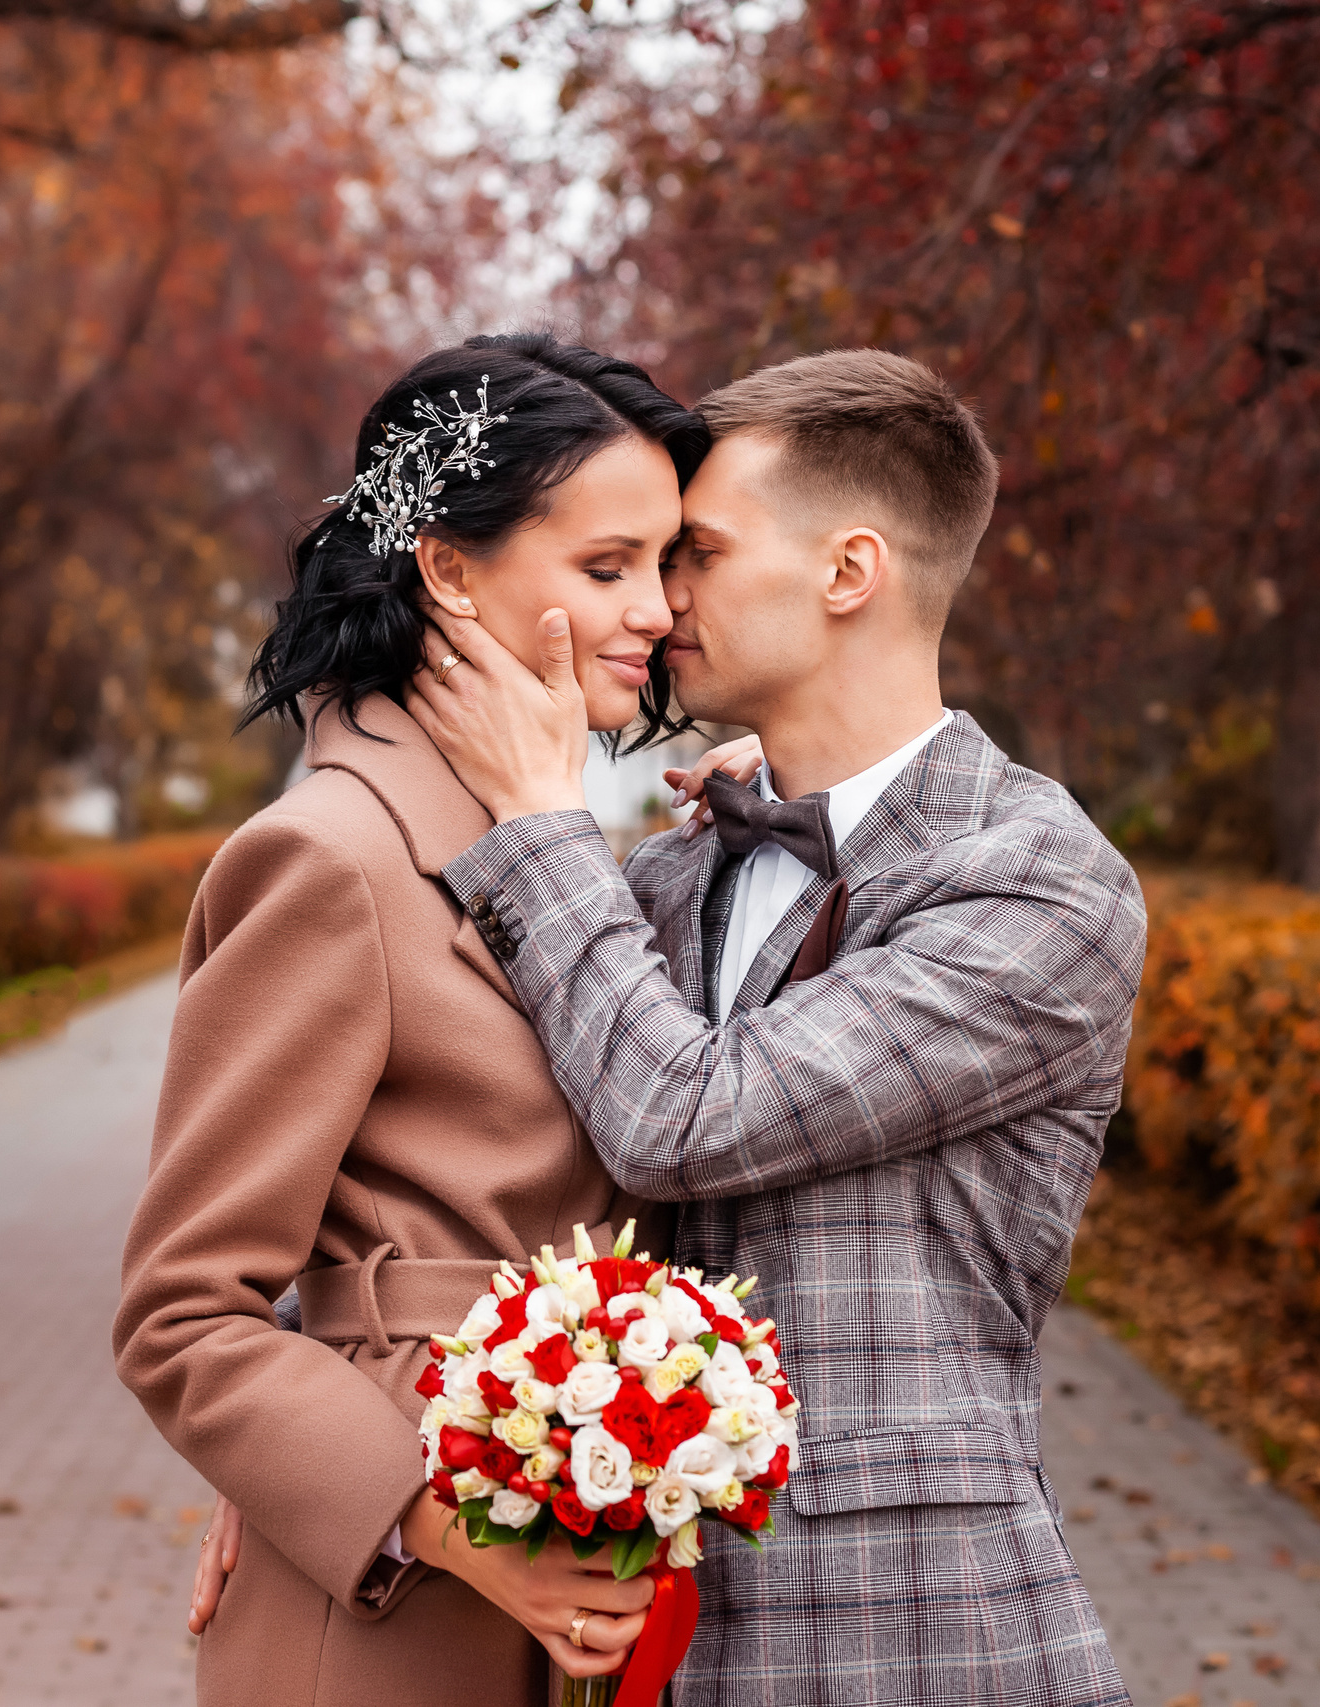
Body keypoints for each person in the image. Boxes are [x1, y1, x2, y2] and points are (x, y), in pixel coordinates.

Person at [404, 349, 1146, 1705]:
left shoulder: (1040, 882)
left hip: (920, 1639)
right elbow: (493, 1186)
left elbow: (681, 1117)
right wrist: (319, 1466)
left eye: (697, 552)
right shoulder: (675, 870)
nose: (658, 600)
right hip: (645, 1638)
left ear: (848, 571)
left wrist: (539, 820)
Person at [112, 333, 721, 1706]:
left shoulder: (547, 848)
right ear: (447, 568)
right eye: (606, 567)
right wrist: (448, 1526)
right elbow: (182, 1313)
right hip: (398, 1618)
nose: (656, 612)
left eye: (665, 563)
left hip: (583, 1560)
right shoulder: (332, 858)